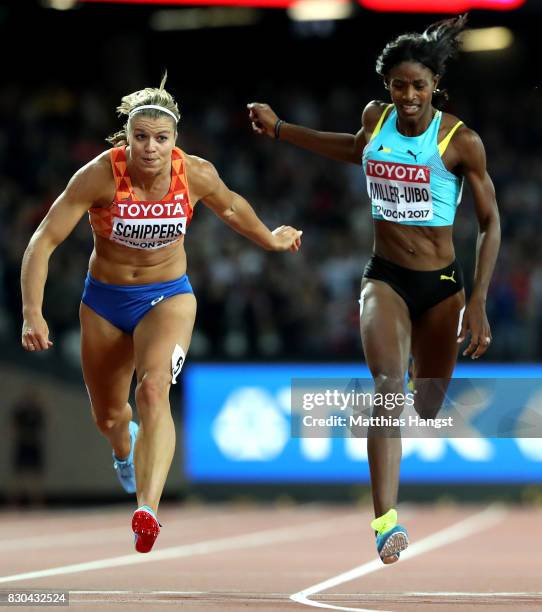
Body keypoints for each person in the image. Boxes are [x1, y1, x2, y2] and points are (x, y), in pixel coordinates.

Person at [248, 14, 500, 563]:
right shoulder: (375, 120)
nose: (408, 96)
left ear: (436, 87)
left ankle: (415, 382)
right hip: (384, 278)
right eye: (399, 86)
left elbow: (489, 221)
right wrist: (282, 130)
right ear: (387, 87)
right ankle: (386, 522)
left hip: (441, 288)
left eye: (419, 86)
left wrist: (477, 301)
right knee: (388, 387)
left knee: (427, 408)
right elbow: (353, 148)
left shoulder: (461, 142)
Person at [20, 74, 302, 553]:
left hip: (168, 296)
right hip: (105, 303)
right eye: (141, 138)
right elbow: (44, 239)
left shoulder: (194, 174)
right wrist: (33, 312)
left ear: (175, 140)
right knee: (109, 416)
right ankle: (123, 447)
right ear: (126, 139)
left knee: (153, 388)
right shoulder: (99, 175)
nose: (150, 148)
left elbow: (232, 209)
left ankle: (146, 510)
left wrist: (271, 238)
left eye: (161, 138)